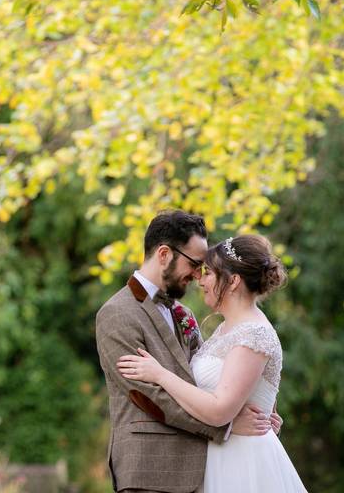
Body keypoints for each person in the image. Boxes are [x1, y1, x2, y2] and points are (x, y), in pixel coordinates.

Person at [95, 211, 282, 493]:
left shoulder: (184, 313)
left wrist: (258, 408)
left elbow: (209, 381)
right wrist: (227, 427)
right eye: (195, 263)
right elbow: (147, 395)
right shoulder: (116, 314)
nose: (198, 275)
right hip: (151, 469)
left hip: (205, 468)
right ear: (164, 254)